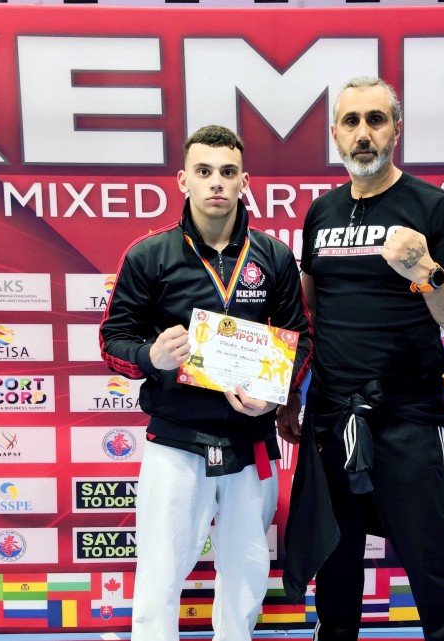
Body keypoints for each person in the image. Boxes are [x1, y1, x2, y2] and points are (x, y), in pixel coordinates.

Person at [279, 77, 444, 641]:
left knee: (438, 578)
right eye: (351, 121)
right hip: (331, 418)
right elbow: (308, 316)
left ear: (397, 128)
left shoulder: (435, 208)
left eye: (376, 119)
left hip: (409, 420)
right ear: (335, 134)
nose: (363, 133)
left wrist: (427, 271)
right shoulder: (320, 214)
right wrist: (289, 396)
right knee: (335, 576)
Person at [100, 125, 312, 641]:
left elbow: (302, 340)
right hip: (176, 442)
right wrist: (150, 356)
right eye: (204, 171)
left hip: (251, 443)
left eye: (227, 171)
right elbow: (112, 341)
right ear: (183, 180)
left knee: (245, 580)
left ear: (244, 181)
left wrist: (274, 395)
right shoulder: (149, 255)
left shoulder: (274, 256)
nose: (216, 181)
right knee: (159, 575)